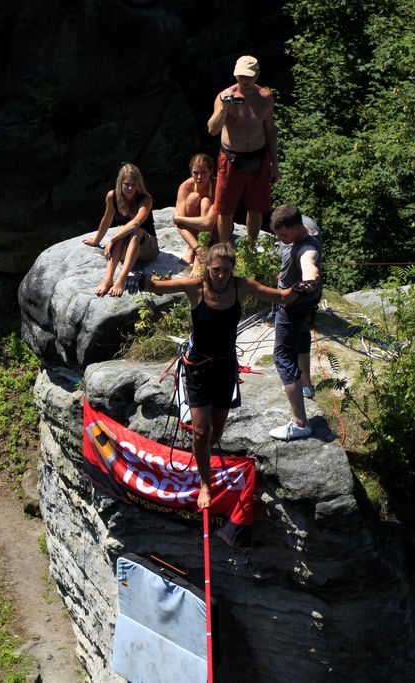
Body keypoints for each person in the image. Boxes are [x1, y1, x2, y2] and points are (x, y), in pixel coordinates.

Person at [128, 242, 304, 508]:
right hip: (198, 366)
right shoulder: (195, 286)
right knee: (200, 430)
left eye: (224, 270)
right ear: (208, 267)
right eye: (215, 270)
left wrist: (301, 288)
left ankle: (202, 457)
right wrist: (141, 282)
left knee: (216, 430)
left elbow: (281, 297)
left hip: (225, 366)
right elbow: (157, 287)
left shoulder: (240, 286)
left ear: (232, 269)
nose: (220, 275)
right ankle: (205, 484)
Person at [207, 55, 278, 245]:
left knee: (256, 208)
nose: (244, 81)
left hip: (258, 156)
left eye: (248, 77)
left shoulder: (265, 97)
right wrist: (224, 108)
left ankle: (251, 247)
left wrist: (275, 164)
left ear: (257, 75)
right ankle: (224, 247)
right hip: (231, 158)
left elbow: (270, 129)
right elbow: (212, 130)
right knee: (225, 208)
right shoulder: (225, 96)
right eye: (240, 76)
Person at [268, 204, 322, 441]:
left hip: (293, 306)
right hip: (307, 304)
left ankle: (300, 422)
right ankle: (306, 386)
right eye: (278, 235)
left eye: (284, 236)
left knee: (282, 357)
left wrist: (308, 280)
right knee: (301, 339)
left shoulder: (307, 248)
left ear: (298, 228)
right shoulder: (308, 224)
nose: (280, 239)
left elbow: (309, 264)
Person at [83, 163, 159, 297]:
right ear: (120, 183)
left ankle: (121, 279)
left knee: (134, 231)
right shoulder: (112, 196)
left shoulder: (145, 199)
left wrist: (112, 239)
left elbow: (136, 223)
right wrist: (97, 241)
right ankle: (108, 279)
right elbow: (106, 219)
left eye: (134, 184)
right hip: (126, 249)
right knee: (123, 229)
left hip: (148, 249)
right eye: (126, 184)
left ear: (138, 184)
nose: (130, 188)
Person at [173, 153, 217, 266]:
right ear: (191, 172)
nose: (199, 177)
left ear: (211, 171)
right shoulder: (186, 186)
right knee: (193, 197)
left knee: (206, 201)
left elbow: (207, 224)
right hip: (196, 231)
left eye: (203, 173)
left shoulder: (217, 186)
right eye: (195, 173)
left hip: (215, 230)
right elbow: (181, 226)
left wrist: (178, 218)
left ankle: (199, 260)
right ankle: (193, 248)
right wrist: (197, 248)